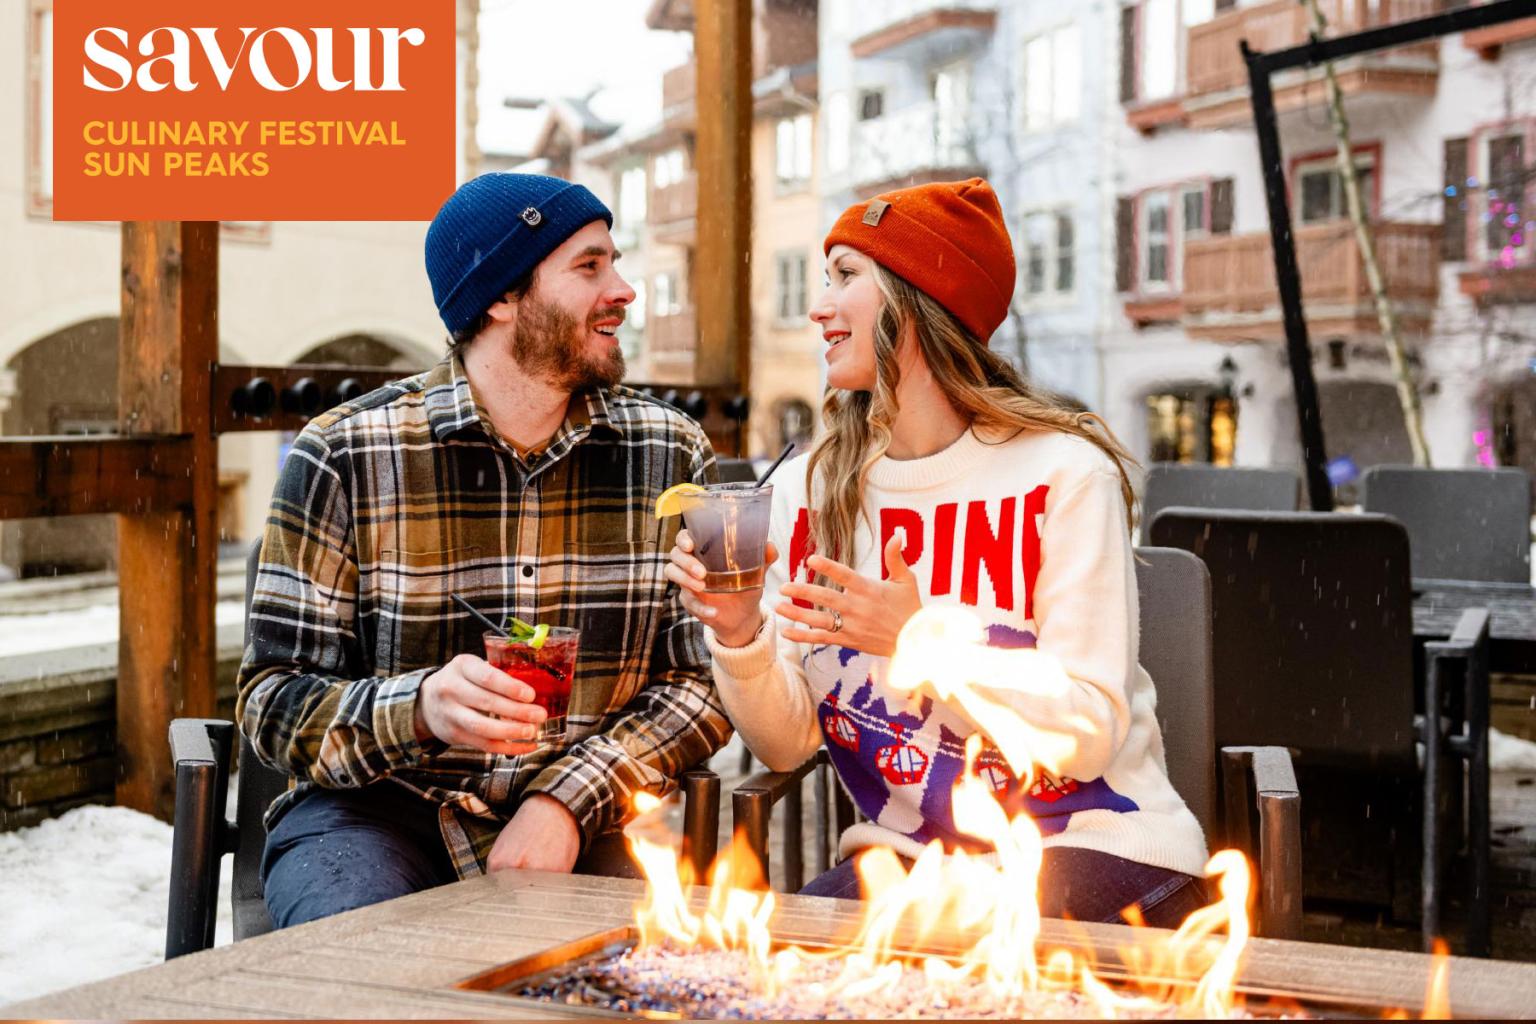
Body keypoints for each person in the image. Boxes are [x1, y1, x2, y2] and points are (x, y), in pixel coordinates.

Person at [667, 178, 1208, 927]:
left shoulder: (1062, 475)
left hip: (1097, 844)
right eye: (824, 279)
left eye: (847, 277)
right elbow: (788, 744)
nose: (819, 305)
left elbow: (1086, 736)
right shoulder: (805, 492)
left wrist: (918, 640)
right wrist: (738, 634)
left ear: (923, 301)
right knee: (763, 971)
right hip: (916, 867)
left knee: (953, 973)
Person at [238, 172, 732, 929]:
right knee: (359, 983)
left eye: (615, 262)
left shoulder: (669, 451)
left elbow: (699, 681)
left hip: (594, 818)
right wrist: (421, 707)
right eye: (590, 266)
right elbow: (273, 702)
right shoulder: (344, 452)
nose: (625, 290)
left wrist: (566, 798)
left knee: (633, 996)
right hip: (377, 815)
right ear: (500, 297)